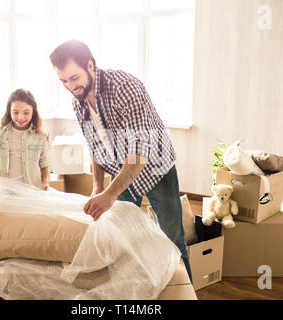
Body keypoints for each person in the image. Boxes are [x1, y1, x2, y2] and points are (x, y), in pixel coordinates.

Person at [49, 39, 193, 283]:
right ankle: (137, 287)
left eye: (74, 78)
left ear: (91, 66)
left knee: (172, 237)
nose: (70, 86)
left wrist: (109, 194)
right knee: (125, 239)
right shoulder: (78, 100)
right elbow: (94, 146)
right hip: (120, 174)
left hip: (157, 169)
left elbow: (139, 154)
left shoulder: (125, 87)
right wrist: (97, 187)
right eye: (63, 81)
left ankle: (184, 289)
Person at [0, 89, 51, 190]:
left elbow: (44, 166)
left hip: (31, 190)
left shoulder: (40, 136)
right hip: (5, 190)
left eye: (26, 113)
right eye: (15, 112)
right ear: (9, 111)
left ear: (33, 112)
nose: (20, 117)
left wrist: (45, 183)